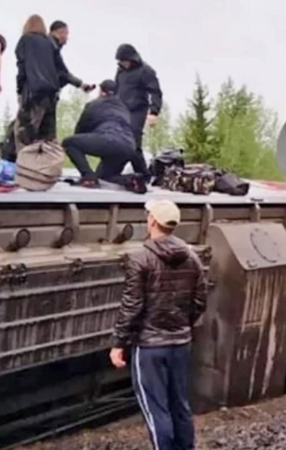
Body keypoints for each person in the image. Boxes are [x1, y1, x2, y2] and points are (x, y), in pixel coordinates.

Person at [110, 199, 208, 450]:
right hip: (181, 343)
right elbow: (200, 301)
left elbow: (132, 306)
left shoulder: (140, 258)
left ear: (152, 221)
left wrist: (118, 343)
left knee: (156, 410)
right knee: (180, 405)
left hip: (150, 346)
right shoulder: (193, 258)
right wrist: (182, 325)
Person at [62, 80, 148, 192]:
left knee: (69, 143)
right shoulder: (124, 108)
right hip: (129, 146)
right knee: (104, 177)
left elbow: (79, 131)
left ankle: (88, 177)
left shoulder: (93, 105)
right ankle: (131, 180)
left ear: (102, 92)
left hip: (109, 139)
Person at [14, 14, 67, 147]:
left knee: (25, 134)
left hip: (33, 93)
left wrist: (19, 90)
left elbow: (22, 68)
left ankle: (25, 164)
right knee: (47, 136)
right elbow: (61, 70)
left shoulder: (25, 41)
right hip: (51, 95)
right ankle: (47, 165)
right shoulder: (50, 44)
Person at [114, 43, 162, 180]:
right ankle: (112, 171)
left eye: (124, 61)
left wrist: (153, 112)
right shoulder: (120, 71)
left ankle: (143, 175)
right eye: (120, 61)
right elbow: (117, 89)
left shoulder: (146, 71)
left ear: (132, 59)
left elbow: (155, 92)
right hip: (121, 110)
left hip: (137, 110)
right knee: (118, 141)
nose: (122, 64)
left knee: (133, 143)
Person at [48, 20, 94, 93]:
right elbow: (63, 72)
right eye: (66, 34)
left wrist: (80, 84)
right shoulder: (52, 48)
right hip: (45, 90)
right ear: (60, 32)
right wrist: (80, 84)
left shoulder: (49, 47)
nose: (67, 38)